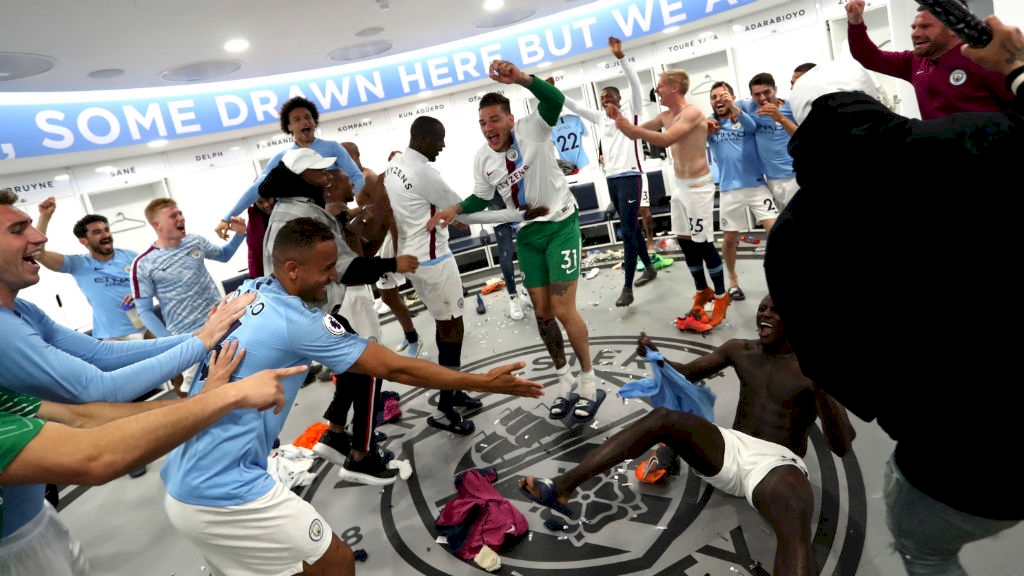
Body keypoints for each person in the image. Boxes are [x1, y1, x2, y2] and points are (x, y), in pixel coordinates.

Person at [766, 16, 1024, 574]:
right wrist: (1016, 70)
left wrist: (902, 399)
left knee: (926, 553)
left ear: (801, 124)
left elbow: (828, 363)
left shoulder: (789, 240)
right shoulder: (977, 141)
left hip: (949, 466)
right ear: (879, 99)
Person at [161, 217, 544, 576]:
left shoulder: (249, 290)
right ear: (292, 269)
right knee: (337, 562)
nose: (334, 275)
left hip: (183, 476)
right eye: (327, 267)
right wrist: (484, 382)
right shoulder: (297, 322)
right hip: (222, 488)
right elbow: (395, 368)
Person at [0, 187, 255, 574]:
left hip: (36, 518)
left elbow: (100, 358)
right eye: (19, 229)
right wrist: (203, 342)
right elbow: (95, 393)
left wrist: (196, 339)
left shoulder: (22, 310)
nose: (39, 236)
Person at [519, 295, 854, 576]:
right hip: (727, 448)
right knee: (665, 418)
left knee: (793, 518)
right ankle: (562, 489)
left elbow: (841, 445)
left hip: (778, 463)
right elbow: (689, 373)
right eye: (763, 308)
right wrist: (657, 358)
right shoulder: (741, 349)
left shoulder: (812, 368)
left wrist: (821, 388)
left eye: (775, 310)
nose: (764, 314)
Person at [428, 60, 603, 424]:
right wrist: (456, 208)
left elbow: (554, 100)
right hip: (528, 237)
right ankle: (564, 379)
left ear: (509, 119)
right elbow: (480, 197)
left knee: (565, 309)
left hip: (561, 225)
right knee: (542, 316)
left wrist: (522, 79)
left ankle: (589, 380)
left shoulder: (533, 129)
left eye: (494, 119)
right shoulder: (482, 159)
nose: (488, 128)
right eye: (482, 123)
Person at [257, 147, 417, 483]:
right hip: (306, 312)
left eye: (333, 170)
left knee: (355, 365)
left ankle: (338, 434)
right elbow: (343, 268)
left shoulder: (296, 207)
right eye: (322, 171)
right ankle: (358, 453)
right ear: (301, 178)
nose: (330, 175)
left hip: (308, 308)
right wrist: (393, 264)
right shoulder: (304, 215)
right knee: (370, 365)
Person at [386, 116, 526, 434]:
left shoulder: (395, 167)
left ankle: (452, 388)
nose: (443, 145)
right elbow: (460, 208)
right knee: (452, 332)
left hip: (418, 258)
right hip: (435, 261)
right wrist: (516, 212)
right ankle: (445, 407)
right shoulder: (423, 172)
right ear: (423, 139)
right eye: (440, 139)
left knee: (444, 326)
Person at [608, 70, 729, 329]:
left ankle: (721, 296)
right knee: (685, 242)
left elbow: (666, 139)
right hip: (680, 186)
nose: (657, 90)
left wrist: (631, 128)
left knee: (704, 244)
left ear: (675, 88)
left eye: (661, 86)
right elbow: (634, 133)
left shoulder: (693, 112)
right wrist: (620, 120)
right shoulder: (665, 115)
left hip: (698, 187)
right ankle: (702, 290)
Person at [561, 36, 660, 308]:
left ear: (619, 98)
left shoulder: (633, 111)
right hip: (612, 180)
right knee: (632, 230)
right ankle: (649, 268)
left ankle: (627, 287)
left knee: (627, 230)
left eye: (609, 96)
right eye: (602, 98)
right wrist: (552, 93)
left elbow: (635, 83)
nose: (605, 100)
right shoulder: (601, 118)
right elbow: (575, 106)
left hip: (631, 176)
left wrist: (621, 58)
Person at [131, 197, 247, 394]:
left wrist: (240, 234)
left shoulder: (195, 241)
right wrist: (170, 342)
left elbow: (225, 255)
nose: (180, 218)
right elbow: (144, 311)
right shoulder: (143, 263)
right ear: (157, 225)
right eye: (173, 215)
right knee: (197, 394)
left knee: (239, 380)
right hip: (188, 337)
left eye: (180, 213)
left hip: (222, 323)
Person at [213, 96, 365, 241]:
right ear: (289, 126)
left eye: (307, 117)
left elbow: (357, 177)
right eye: (297, 119)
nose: (304, 122)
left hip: (334, 220)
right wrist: (227, 218)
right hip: (304, 222)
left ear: (314, 121)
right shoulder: (283, 157)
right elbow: (256, 187)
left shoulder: (333, 148)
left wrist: (341, 202)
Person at [845, 0, 1013, 120]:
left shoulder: (985, 58)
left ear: (952, 29)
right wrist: (855, 23)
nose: (915, 33)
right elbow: (869, 57)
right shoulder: (913, 61)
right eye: (914, 27)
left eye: (925, 27)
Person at [342, 140, 421, 356]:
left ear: (357, 155)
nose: (344, 164)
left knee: (394, 293)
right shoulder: (355, 180)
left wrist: (397, 250)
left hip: (388, 241)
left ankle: (417, 336)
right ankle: (411, 336)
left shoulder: (369, 178)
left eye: (348, 158)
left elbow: (390, 214)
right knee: (388, 296)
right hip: (377, 244)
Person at [33, 198, 146, 341]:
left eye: (106, 230)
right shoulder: (78, 264)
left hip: (145, 326)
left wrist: (139, 293)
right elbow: (38, 253)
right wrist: (44, 217)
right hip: (113, 337)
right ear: (83, 241)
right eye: (97, 232)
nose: (105, 235)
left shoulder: (130, 256)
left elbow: (153, 282)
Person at [707, 81, 778, 304]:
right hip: (729, 190)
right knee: (729, 240)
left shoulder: (745, 114)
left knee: (776, 233)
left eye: (723, 95)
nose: (719, 99)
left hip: (757, 185)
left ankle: (779, 279)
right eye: (714, 97)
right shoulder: (710, 125)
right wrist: (706, 124)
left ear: (733, 97)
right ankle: (733, 280)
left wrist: (735, 108)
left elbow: (752, 128)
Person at [738, 73, 799, 211]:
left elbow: (803, 137)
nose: (762, 98)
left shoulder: (791, 107)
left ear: (775, 89)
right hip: (771, 178)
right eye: (757, 94)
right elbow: (730, 106)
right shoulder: (751, 107)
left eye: (767, 92)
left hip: (794, 176)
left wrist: (780, 118)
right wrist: (711, 117)